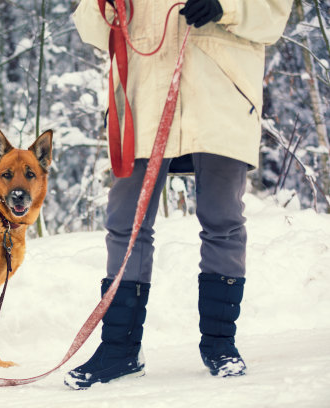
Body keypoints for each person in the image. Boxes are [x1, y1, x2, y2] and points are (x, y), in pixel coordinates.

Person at [65, 0, 293, 390]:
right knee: (126, 224)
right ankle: (120, 348)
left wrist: (226, 6)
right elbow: (92, 29)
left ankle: (221, 345)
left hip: (221, 96)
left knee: (222, 221)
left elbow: (273, 13)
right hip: (141, 98)